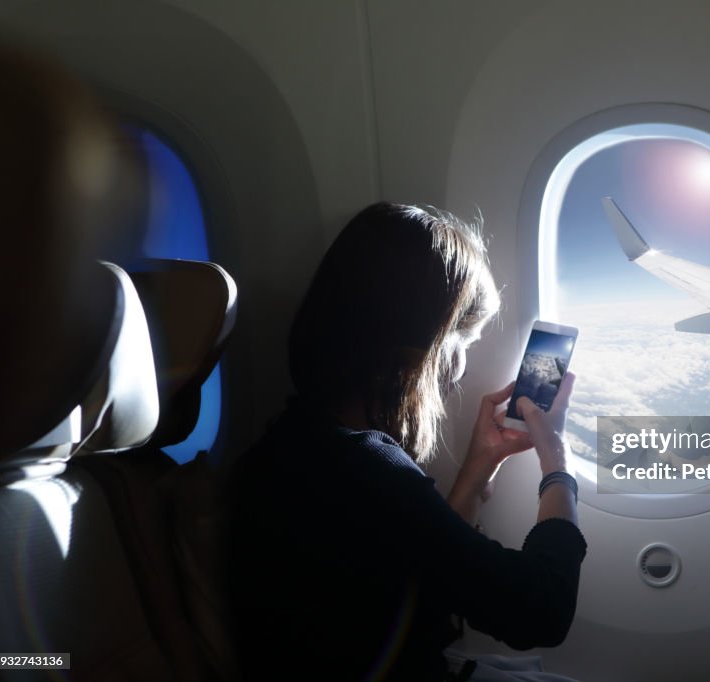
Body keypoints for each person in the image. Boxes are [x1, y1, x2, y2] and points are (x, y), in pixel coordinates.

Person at [226, 202, 586, 681]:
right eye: (463, 341)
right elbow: (540, 610)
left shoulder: (298, 444)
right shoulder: (367, 471)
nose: (458, 371)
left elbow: (429, 569)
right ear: (425, 347)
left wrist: (479, 465)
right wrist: (557, 463)